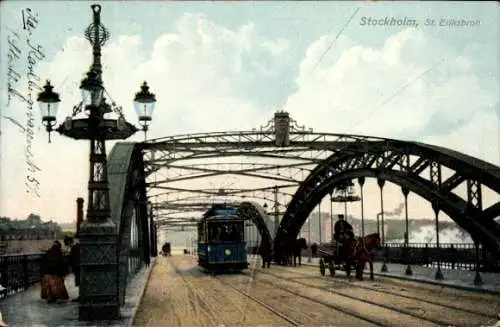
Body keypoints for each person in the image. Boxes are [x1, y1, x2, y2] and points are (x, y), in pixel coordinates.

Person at [64, 236, 80, 302]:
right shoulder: (77, 246)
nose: (68, 246)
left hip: (77, 267)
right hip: (78, 266)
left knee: (79, 281)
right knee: (80, 281)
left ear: (69, 242)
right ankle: (81, 295)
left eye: (67, 244)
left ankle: (80, 296)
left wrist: (66, 263)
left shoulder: (74, 248)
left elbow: (73, 258)